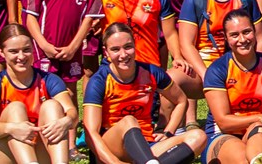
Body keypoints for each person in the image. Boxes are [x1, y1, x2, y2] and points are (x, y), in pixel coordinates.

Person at [82, 23, 206, 164]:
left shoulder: (151, 72)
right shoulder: (100, 81)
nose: (123, 54)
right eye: (115, 49)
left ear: (135, 45)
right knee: (129, 120)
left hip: (147, 146)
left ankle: (148, 161)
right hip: (112, 149)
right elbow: (90, 133)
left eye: (128, 47)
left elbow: (181, 100)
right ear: (106, 52)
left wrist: (169, 132)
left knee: (198, 137)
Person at [0, 26, 79, 164]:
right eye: (13, 51)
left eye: (26, 50)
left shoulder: (49, 80)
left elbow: (72, 113)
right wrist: (12, 128)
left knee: (52, 106)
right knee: (15, 109)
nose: (21, 57)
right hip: (6, 153)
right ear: (1, 52)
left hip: (40, 149)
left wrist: (66, 121)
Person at [203, 9, 262, 164]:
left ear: (255, 32)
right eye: (234, 35)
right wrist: (259, 117)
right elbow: (223, 121)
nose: (242, 39)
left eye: (247, 32)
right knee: (244, 160)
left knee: (258, 140)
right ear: (226, 38)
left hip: (258, 133)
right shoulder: (218, 70)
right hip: (222, 135)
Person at [179, 0, 262, 95]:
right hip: (205, 64)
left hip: (240, 63)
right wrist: (206, 75)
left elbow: (260, 38)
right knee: (171, 81)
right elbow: (186, 44)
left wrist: (258, 68)